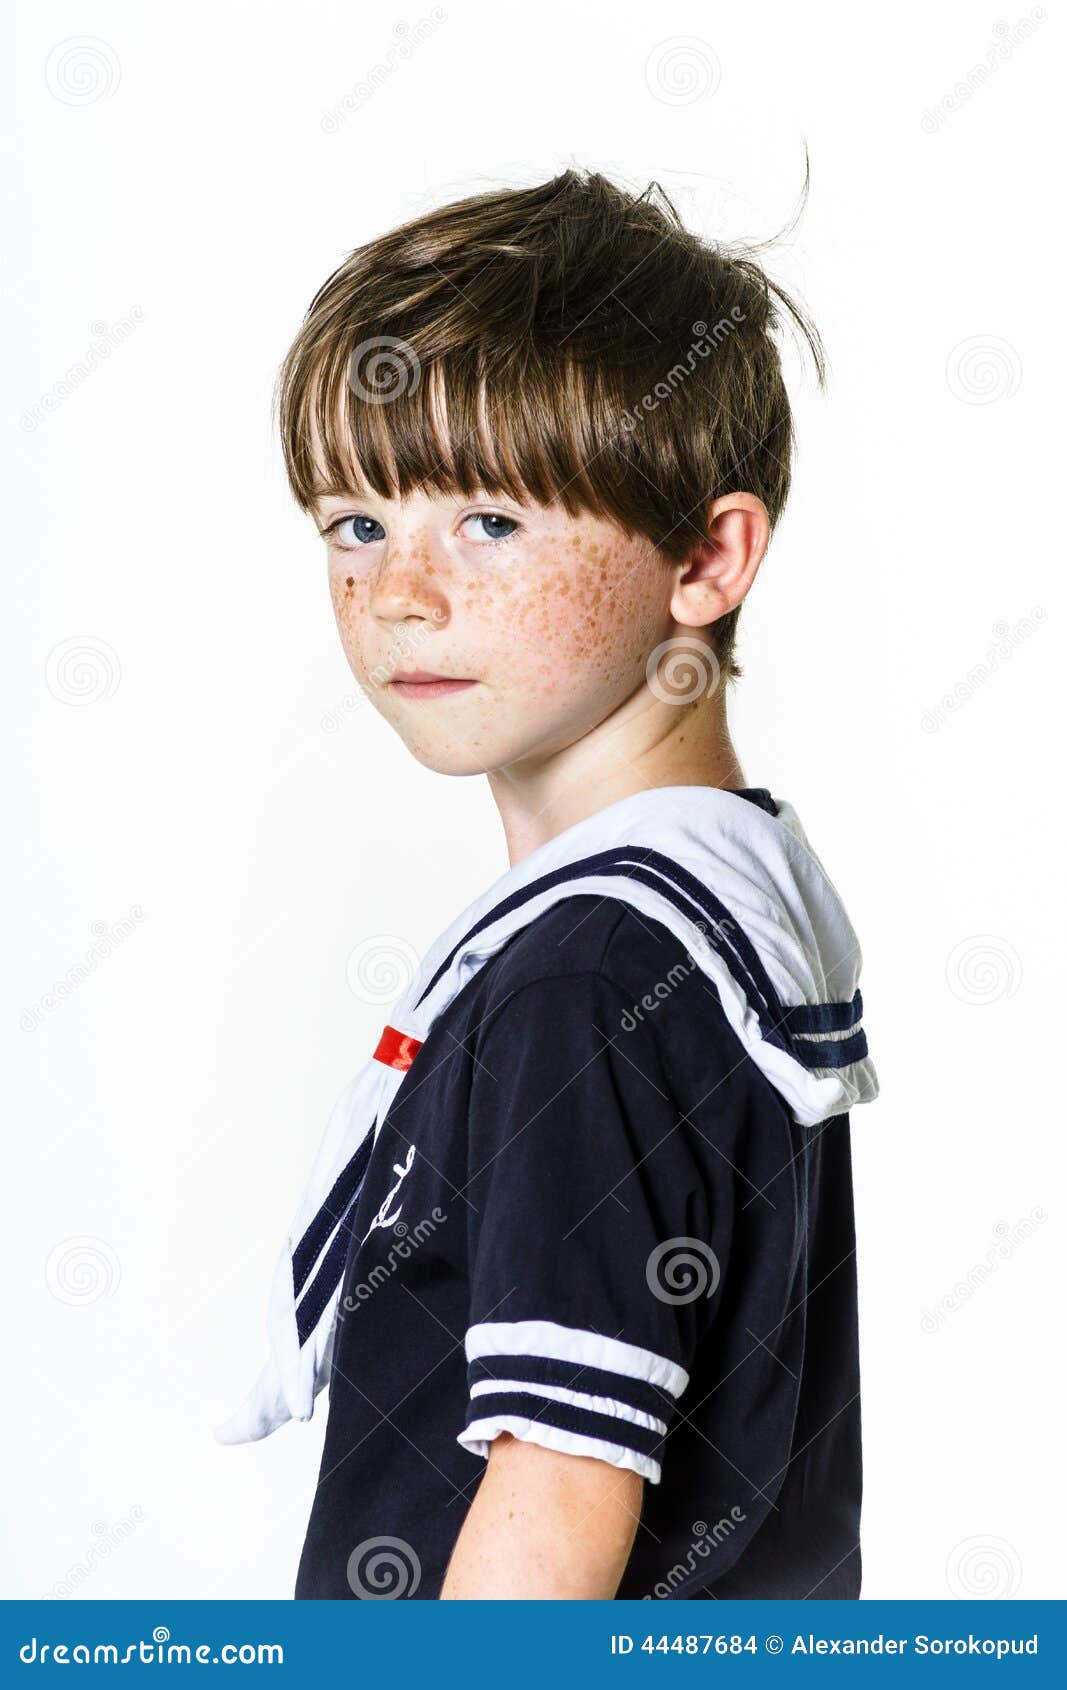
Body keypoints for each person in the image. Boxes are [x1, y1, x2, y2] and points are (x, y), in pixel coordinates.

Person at [215, 167, 879, 1601]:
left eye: (490, 522)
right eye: (355, 522)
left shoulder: (584, 985)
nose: (399, 591)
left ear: (706, 555)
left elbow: (559, 1492)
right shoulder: (725, 901)